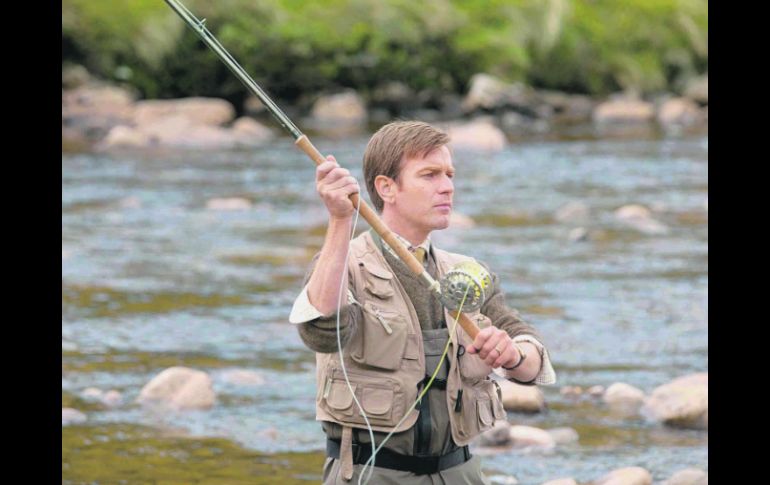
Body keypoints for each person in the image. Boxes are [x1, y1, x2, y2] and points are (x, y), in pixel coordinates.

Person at [289, 121, 556, 484]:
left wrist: (514, 355)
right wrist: (339, 221)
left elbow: (532, 357)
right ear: (387, 188)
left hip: (459, 473)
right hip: (371, 473)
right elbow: (322, 333)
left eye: (449, 174)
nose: (447, 186)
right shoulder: (341, 264)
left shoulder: (467, 271)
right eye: (429, 175)